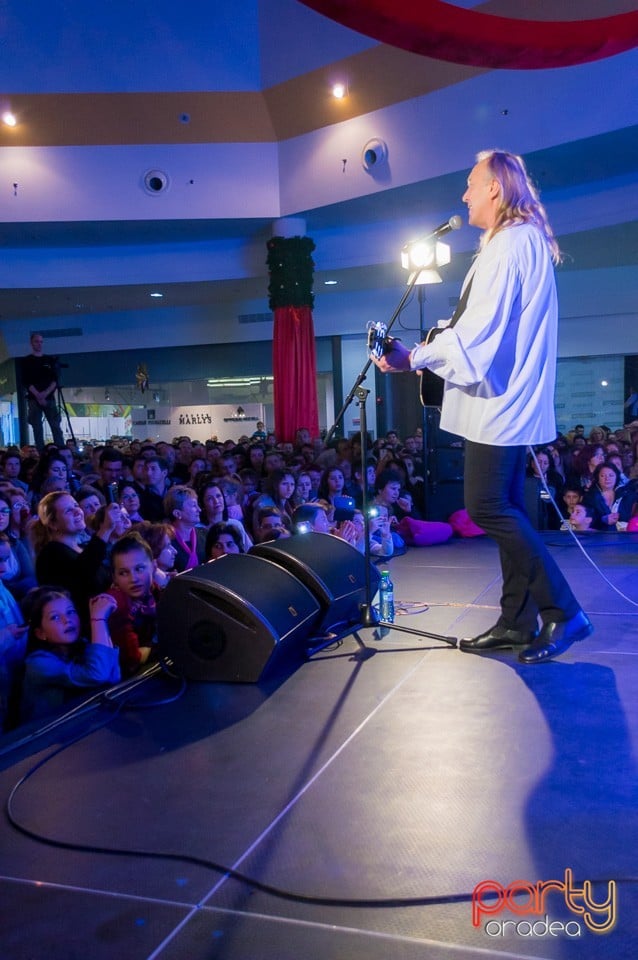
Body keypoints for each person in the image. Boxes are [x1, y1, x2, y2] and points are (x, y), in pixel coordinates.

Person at [371, 149, 592, 663]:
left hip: (500, 404)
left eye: (471, 184)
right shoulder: (515, 242)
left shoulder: (509, 246)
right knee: (505, 506)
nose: (464, 194)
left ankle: (563, 611)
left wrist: (413, 358)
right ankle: (516, 621)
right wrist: (427, 350)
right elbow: (479, 328)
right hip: (505, 401)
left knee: (486, 506)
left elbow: (477, 336)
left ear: (495, 187)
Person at [20, 588, 120, 723]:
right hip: (47, 737)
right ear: (40, 633)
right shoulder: (37, 664)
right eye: (55, 617)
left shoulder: (81, 645)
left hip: (82, 723)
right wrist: (98, 620)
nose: (67, 620)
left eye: (71, 612)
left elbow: (113, 679)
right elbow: (98, 674)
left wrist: (103, 622)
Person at [21, 333, 65, 451]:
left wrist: (44, 394)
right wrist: (38, 395)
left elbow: (55, 380)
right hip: (34, 398)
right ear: (31, 343)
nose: (39, 344)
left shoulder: (49, 360)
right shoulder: (26, 361)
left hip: (48, 397)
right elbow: (26, 381)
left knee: (55, 426)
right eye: (36, 341)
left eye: (41, 341)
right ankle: (41, 453)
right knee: (37, 428)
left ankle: (60, 450)